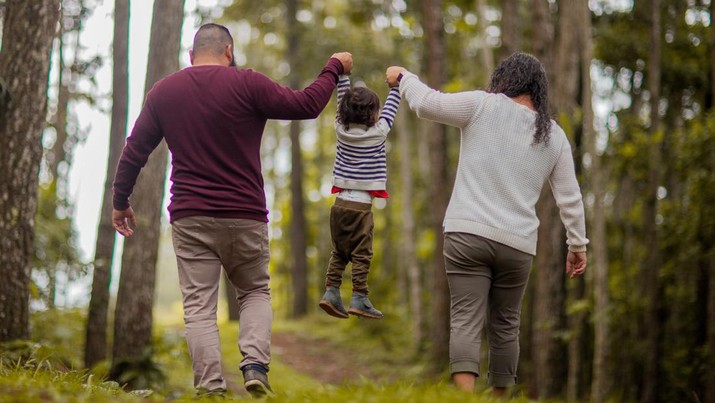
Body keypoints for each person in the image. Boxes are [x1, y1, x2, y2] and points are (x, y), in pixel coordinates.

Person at [111, 22, 353, 398]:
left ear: (191, 57)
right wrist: (334, 66)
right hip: (245, 214)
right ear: (229, 51)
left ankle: (210, 388)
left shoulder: (165, 91)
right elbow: (306, 105)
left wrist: (120, 201)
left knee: (199, 309)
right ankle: (255, 365)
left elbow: (135, 151)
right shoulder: (247, 83)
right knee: (255, 290)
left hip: (190, 216)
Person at [385, 52, 588, 396]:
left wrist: (404, 77)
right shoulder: (554, 136)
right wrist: (578, 245)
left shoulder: (482, 105)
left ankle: (464, 397)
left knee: (466, 318)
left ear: (504, 79)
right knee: (506, 326)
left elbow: (427, 104)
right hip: (518, 245)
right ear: (538, 89)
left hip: (467, 234)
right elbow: (569, 196)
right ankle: (499, 398)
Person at [317, 75, 401, 320]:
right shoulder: (379, 133)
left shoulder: (340, 130)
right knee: (361, 254)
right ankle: (359, 297)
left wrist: (343, 76)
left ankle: (331, 291)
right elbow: (392, 107)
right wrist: (396, 85)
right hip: (361, 208)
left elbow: (340, 100)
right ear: (373, 114)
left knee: (339, 252)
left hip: (339, 205)